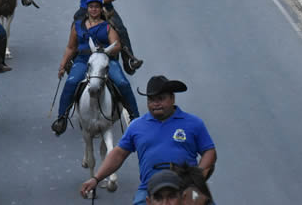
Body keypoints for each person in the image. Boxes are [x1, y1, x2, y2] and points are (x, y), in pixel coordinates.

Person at [79, 75, 217, 205]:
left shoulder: (193, 123)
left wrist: (197, 176)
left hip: (186, 186)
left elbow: (209, 152)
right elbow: (118, 154)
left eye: (161, 98)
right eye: (151, 100)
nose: (156, 103)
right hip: (150, 188)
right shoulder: (136, 126)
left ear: (172, 98)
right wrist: (96, 178)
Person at [51, 0, 140, 136]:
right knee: (71, 82)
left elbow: (117, 45)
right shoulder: (77, 26)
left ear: (101, 9)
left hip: (105, 60)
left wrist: (106, 51)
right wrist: (62, 65)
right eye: (91, 7)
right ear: (87, 9)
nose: (94, 9)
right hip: (83, 60)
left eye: (97, 7)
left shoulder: (108, 26)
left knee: (122, 82)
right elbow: (71, 47)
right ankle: (62, 118)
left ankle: (134, 116)